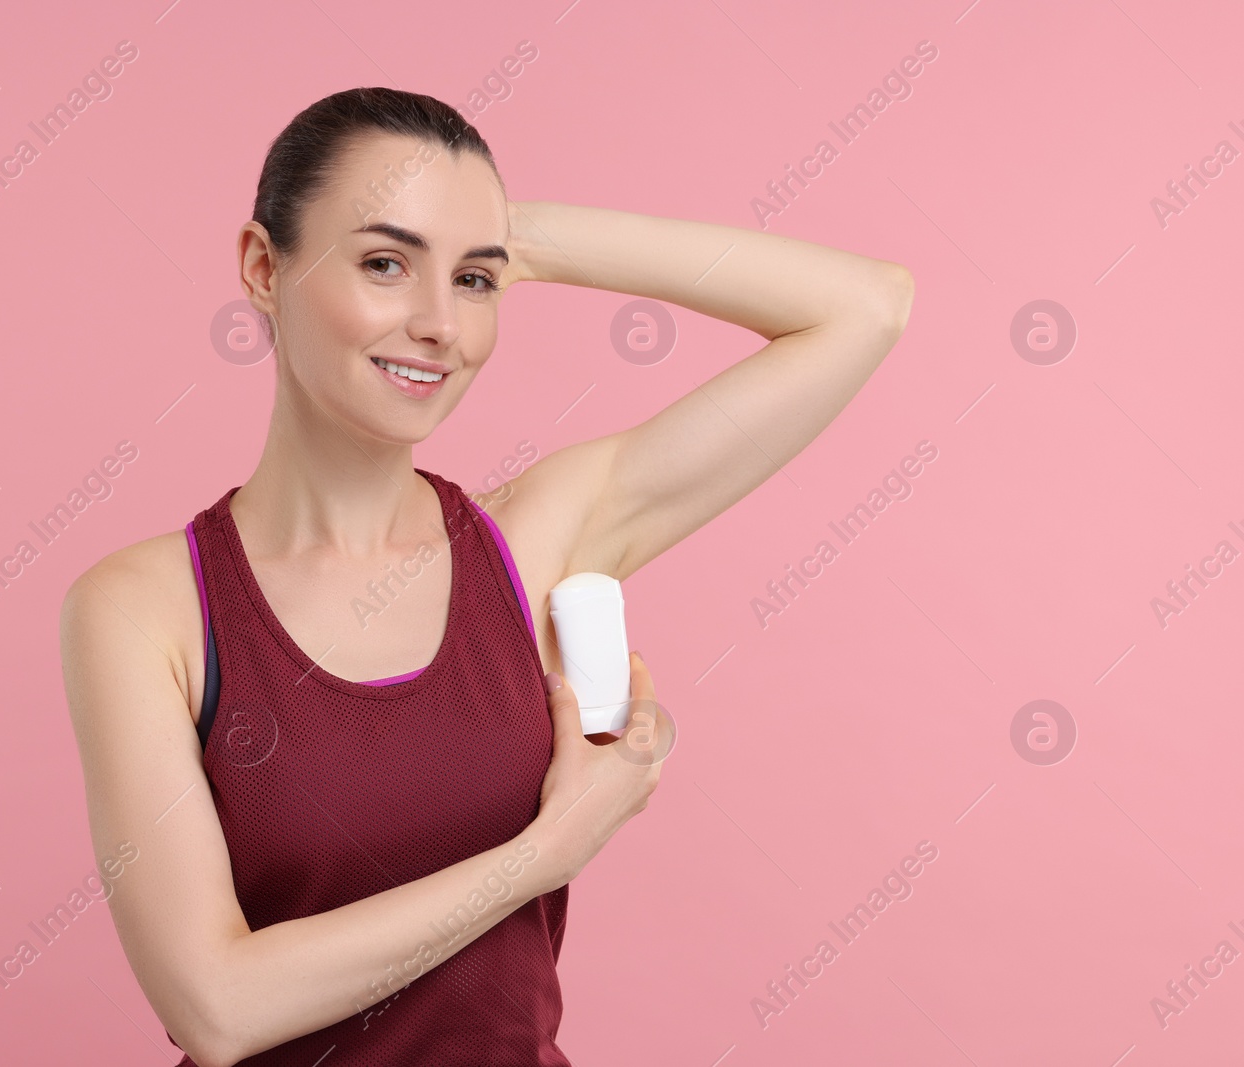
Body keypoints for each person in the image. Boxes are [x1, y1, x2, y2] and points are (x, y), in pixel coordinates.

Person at [59, 86, 913, 1066]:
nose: (438, 324)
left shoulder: (533, 540)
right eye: (385, 263)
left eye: (473, 281)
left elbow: (864, 307)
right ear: (264, 267)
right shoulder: (144, 609)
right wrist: (544, 855)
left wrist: (527, 241)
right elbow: (217, 1006)